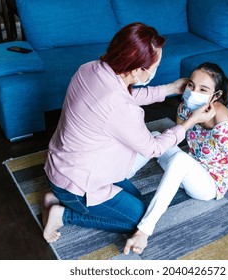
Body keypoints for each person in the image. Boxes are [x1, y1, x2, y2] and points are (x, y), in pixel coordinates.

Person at [41, 23, 216, 244]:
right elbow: (153, 148)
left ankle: (55, 196)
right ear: (137, 70)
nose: (156, 69)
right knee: (136, 219)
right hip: (76, 182)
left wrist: (169, 89)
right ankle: (63, 214)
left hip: (61, 165)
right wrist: (190, 122)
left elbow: (124, 99)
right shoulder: (120, 107)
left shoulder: (89, 68)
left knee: (134, 199)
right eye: (155, 65)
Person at [124, 62, 228, 255]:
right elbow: (179, 134)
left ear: (216, 95)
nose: (193, 92)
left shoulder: (221, 121)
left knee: (180, 161)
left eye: (203, 89)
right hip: (190, 168)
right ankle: (118, 177)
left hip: (209, 185)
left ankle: (144, 230)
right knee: (159, 135)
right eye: (191, 85)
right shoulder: (185, 106)